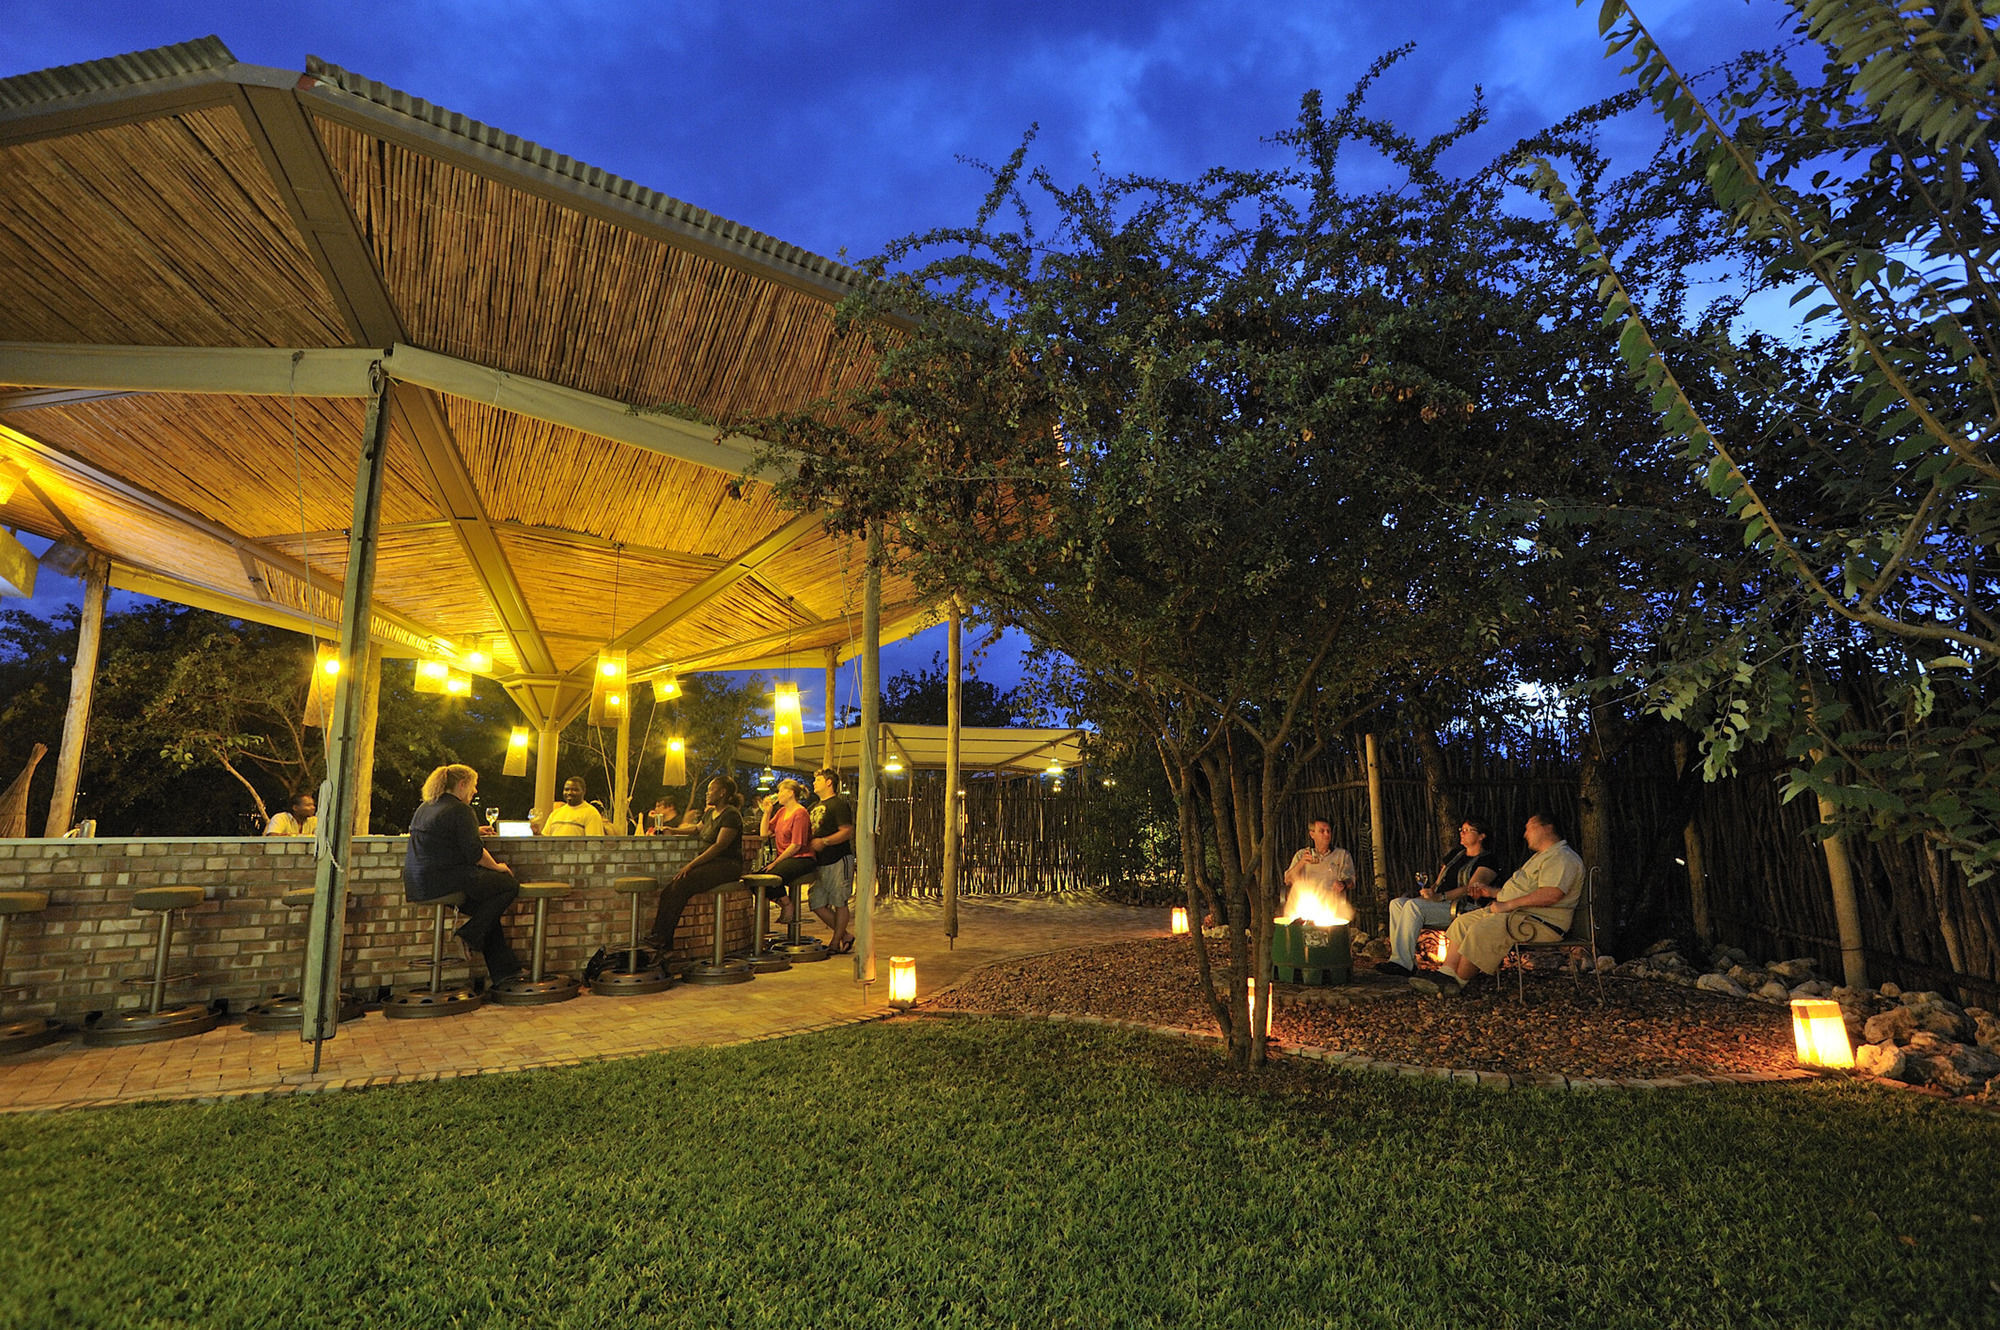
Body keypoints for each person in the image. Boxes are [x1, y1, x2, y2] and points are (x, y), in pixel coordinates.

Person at [1413, 811, 1583, 996]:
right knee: (1463, 922)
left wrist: (1507, 906)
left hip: (1539, 922)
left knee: (1483, 928)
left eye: (1530, 828)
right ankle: (1445, 975)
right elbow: (1525, 891)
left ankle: (1457, 984)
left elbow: (1550, 895)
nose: (1526, 834)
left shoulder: (1562, 857)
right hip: (1519, 914)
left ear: (1548, 828)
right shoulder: (1542, 857)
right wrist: (1492, 892)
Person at [402, 763, 522, 984]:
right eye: (473, 786)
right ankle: (467, 935)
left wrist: (473, 831)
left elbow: (442, 835)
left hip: (418, 882)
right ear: (462, 784)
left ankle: (506, 974)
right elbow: (474, 853)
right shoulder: (460, 809)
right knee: (508, 885)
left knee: (486, 914)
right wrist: (498, 867)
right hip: (445, 880)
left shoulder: (427, 806)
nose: (475, 791)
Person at [1376, 816, 1505, 977]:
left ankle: (1403, 964)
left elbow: (1470, 888)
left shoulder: (1488, 860)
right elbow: (1439, 881)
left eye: (1467, 830)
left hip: (1464, 907)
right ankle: (1399, 960)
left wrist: (1440, 897)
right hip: (1440, 903)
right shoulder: (1455, 855)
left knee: (1413, 906)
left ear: (1481, 836)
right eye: (1461, 830)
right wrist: (1430, 892)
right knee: (1397, 903)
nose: (1462, 833)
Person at [643, 775, 746, 953]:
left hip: (728, 866)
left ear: (722, 793)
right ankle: (659, 936)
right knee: (670, 889)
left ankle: (663, 940)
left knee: (682, 884)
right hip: (712, 864)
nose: (707, 793)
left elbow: (719, 846)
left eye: (711, 790)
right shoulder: (710, 814)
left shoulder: (731, 814)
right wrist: (673, 831)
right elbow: (697, 829)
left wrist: (691, 865)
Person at [807, 768, 856, 953]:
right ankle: (844, 935)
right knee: (817, 903)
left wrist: (825, 841)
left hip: (838, 858)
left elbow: (846, 831)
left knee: (839, 901)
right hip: (820, 861)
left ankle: (835, 942)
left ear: (829, 782)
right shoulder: (813, 807)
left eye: (818, 779)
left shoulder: (838, 805)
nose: (814, 783)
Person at [759, 778, 815, 924]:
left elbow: (796, 845)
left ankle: (788, 906)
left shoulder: (800, 813)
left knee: (771, 875)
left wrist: (776, 862)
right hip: (786, 858)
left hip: (802, 858)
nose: (777, 794)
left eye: (780, 791)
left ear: (790, 793)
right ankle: (785, 902)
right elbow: (764, 834)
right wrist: (767, 812)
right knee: (756, 878)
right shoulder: (782, 811)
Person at [1277, 819, 1354, 922]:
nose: (1326, 834)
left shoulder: (1342, 855)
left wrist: (1343, 884)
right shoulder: (1302, 855)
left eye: (1328, 831)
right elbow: (1287, 880)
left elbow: (1351, 882)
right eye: (1322, 831)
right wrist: (1302, 862)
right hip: (1305, 909)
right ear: (1312, 834)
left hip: (1331, 909)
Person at [532, 777, 607, 836]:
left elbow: (594, 844)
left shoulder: (591, 813)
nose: (569, 793)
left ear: (583, 791)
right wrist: (537, 833)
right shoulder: (556, 813)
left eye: (575, 790)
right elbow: (546, 842)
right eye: (566, 789)